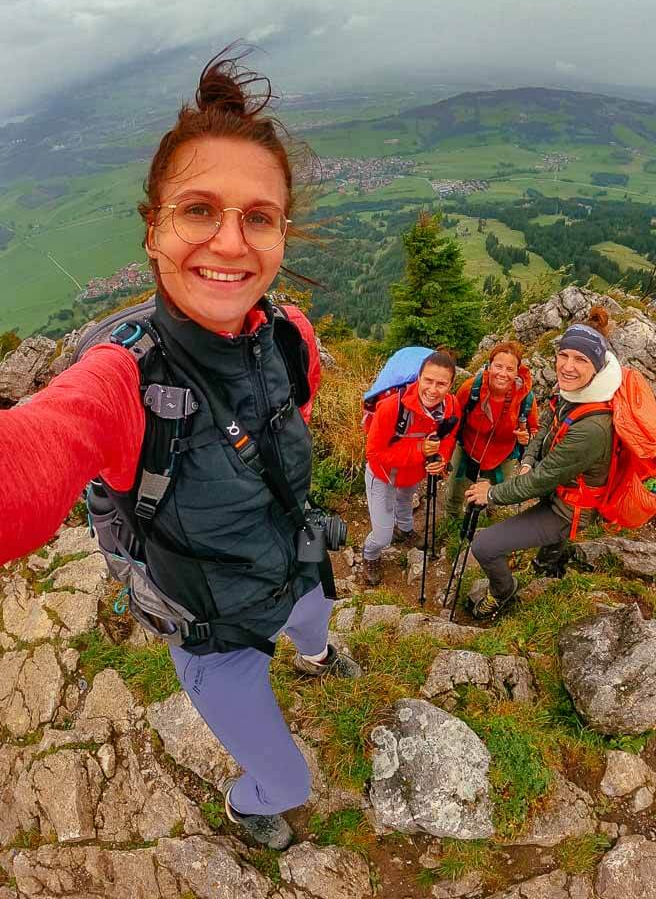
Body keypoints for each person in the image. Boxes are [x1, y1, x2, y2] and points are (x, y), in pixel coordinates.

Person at [0, 51, 361, 851]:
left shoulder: (287, 335)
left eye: (257, 217)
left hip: (292, 572)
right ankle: (250, 804)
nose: (230, 243)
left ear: (280, 233)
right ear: (153, 229)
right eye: (199, 210)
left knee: (316, 622)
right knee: (291, 782)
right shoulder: (122, 378)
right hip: (212, 629)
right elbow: (24, 464)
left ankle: (314, 654)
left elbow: (288, 424)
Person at [463, 308, 620, 619]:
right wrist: (528, 460)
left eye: (581, 360)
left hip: (568, 506)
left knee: (484, 546)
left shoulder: (593, 428)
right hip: (562, 489)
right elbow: (545, 426)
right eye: (565, 356)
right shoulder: (574, 391)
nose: (568, 366)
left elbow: (542, 480)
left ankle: (503, 593)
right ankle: (546, 565)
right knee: (549, 533)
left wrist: (491, 493)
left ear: (597, 366)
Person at [362, 351, 460, 585]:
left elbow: (448, 435)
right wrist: (420, 451)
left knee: (405, 503)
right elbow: (374, 453)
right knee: (382, 535)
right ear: (419, 377)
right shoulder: (390, 408)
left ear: (451, 384)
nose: (433, 390)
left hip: (413, 472)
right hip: (382, 475)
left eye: (441, 384)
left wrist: (441, 459)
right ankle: (370, 553)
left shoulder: (451, 405)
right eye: (428, 381)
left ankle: (404, 529)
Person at [442, 341, 538, 520]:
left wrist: (526, 438)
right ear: (489, 366)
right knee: (456, 489)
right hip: (468, 448)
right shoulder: (472, 389)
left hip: (503, 454)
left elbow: (534, 430)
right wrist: (445, 454)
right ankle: (451, 521)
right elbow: (453, 421)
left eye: (510, 369)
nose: (502, 373)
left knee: (494, 495)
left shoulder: (525, 398)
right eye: (498, 366)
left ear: (518, 372)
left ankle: (488, 522)